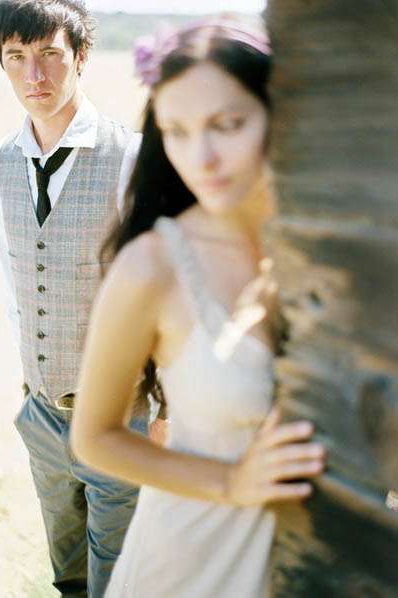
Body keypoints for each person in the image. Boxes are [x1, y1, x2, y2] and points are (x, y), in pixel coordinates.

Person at [71, 17, 326, 597]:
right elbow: (95, 437)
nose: (200, 157)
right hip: (195, 561)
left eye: (226, 125)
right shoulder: (153, 266)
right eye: (176, 132)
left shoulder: (333, 248)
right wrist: (232, 482)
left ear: (283, 114)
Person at [0, 1, 151, 596]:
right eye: (16, 57)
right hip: (41, 416)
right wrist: (30, 390)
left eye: (50, 54)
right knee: (69, 578)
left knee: (119, 580)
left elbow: (160, 296)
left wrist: (164, 413)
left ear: (80, 57)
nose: (34, 75)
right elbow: (15, 286)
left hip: (120, 415)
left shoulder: (131, 156)